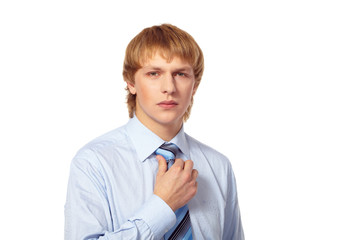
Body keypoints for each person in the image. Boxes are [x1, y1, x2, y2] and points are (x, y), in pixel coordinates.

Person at [65, 23, 244, 240]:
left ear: (194, 85)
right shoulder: (94, 163)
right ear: (131, 82)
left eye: (180, 74)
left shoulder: (218, 166)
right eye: (154, 73)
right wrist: (163, 207)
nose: (169, 87)